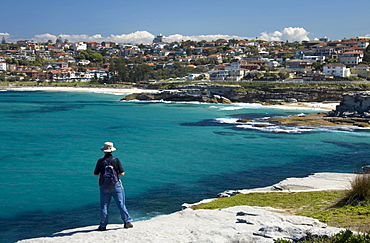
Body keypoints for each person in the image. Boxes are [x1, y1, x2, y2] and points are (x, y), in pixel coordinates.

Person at [94, 142, 133, 231]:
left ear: (104, 151)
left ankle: (103, 225)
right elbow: (122, 173)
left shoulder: (100, 161)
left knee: (104, 206)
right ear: (112, 150)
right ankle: (127, 222)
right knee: (121, 204)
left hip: (104, 186)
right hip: (116, 185)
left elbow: (95, 174)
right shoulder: (116, 160)